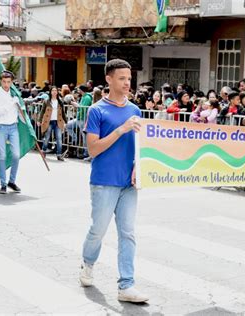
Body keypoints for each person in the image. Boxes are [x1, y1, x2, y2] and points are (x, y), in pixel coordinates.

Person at [80, 59, 149, 303]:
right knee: (98, 231)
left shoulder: (135, 111)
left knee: (128, 233)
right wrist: (120, 130)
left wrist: (137, 167)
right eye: (122, 78)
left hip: (129, 184)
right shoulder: (96, 111)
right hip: (103, 181)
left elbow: (141, 147)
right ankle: (87, 263)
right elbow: (93, 149)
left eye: (129, 78)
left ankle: (126, 285)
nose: (127, 83)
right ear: (109, 79)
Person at [0, 70, 22, 194]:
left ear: (12, 82)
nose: (6, 84)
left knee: (16, 155)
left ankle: (12, 181)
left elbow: (19, 111)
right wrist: (11, 102)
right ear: (1, 81)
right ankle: (3, 184)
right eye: (4, 82)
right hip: (0, 127)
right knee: (2, 156)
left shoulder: (15, 93)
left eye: (8, 82)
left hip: (13, 127)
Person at [38, 86, 67, 161]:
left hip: (58, 122)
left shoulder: (60, 101)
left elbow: (63, 113)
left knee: (59, 138)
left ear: (57, 92)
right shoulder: (46, 101)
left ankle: (59, 155)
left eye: (55, 90)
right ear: (50, 92)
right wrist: (39, 120)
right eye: (53, 90)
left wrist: (66, 122)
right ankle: (43, 151)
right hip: (49, 121)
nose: (54, 92)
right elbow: (42, 111)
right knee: (47, 137)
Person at [66, 84, 93, 159]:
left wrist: (75, 104)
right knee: (67, 126)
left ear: (81, 90)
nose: (77, 91)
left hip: (83, 119)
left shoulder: (87, 97)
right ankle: (75, 139)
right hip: (78, 118)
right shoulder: (83, 97)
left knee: (84, 137)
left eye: (78, 89)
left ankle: (86, 153)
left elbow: (83, 108)